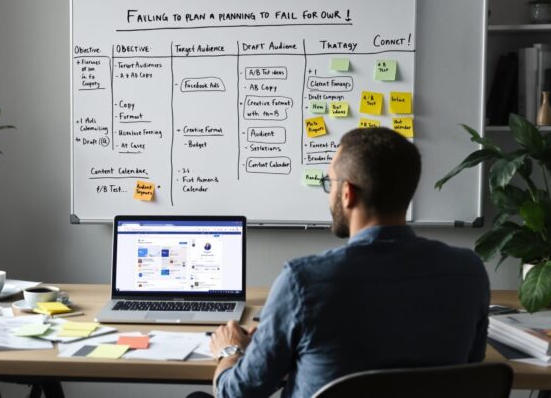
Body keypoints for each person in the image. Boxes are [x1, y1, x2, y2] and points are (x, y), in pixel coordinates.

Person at [208, 128, 489, 398]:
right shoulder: (469, 273)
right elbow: (468, 370)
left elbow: (236, 393)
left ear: (347, 193)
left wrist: (230, 350)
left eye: (330, 183)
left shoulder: (303, 281)